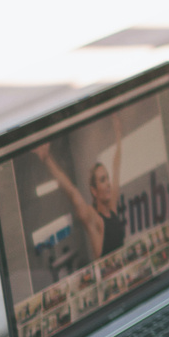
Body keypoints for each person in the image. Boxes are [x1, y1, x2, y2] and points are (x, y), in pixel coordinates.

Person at [35, 115, 126, 276]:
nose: (108, 184)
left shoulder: (112, 208)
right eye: (102, 180)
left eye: (107, 179)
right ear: (94, 190)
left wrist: (118, 134)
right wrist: (47, 158)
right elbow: (72, 192)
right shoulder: (94, 220)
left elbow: (117, 166)